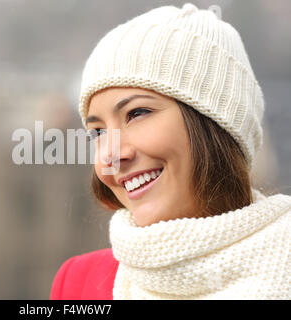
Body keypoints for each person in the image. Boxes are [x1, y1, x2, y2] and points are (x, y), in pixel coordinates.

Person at [50, 3, 291, 300]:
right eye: (98, 132)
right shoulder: (78, 284)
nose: (111, 155)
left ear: (216, 124)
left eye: (137, 113)